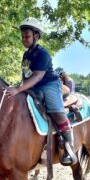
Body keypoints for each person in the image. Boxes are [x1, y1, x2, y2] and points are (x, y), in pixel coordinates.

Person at [6, 17, 77, 165]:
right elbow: (26, 75)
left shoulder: (43, 54)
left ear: (36, 36)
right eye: (22, 36)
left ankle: (69, 146)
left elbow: (38, 76)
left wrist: (18, 89)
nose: (24, 39)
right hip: (33, 85)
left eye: (27, 36)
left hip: (48, 84)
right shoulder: (26, 55)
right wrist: (18, 87)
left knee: (56, 111)